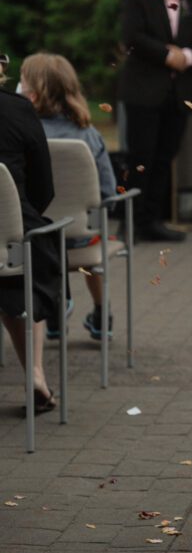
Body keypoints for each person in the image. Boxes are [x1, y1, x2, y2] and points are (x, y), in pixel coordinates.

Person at [119, 0, 192, 242]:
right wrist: (166, 54)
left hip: (178, 96)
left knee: (164, 158)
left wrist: (186, 56)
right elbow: (132, 36)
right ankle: (130, 222)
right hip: (144, 93)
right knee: (140, 159)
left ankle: (153, 221)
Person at [20, 53, 118, 341]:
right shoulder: (88, 134)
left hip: (32, 240)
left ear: (33, 92)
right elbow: (107, 193)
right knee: (90, 232)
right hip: (81, 240)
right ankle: (102, 313)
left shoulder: (23, 132)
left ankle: (53, 308)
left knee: (49, 238)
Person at [0, 54, 59, 413]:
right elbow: (43, 188)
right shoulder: (17, 110)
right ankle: (35, 372)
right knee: (21, 271)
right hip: (10, 241)